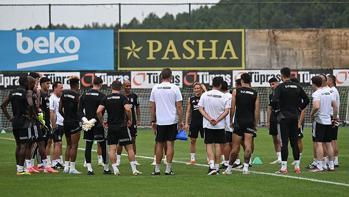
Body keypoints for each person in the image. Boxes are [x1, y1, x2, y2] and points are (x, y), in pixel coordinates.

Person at [96, 80, 141, 176]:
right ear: (120, 88)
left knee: (112, 149)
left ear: (111, 87)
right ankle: (134, 170)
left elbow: (98, 111)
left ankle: (115, 168)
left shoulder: (106, 98)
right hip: (122, 126)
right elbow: (128, 109)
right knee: (129, 148)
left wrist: (102, 121)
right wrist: (130, 119)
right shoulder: (122, 97)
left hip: (111, 127)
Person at [272, 67, 309, 174]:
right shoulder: (297, 86)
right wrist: (299, 108)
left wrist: (277, 110)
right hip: (294, 117)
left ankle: (284, 168)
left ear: (282, 75)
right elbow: (307, 99)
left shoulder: (280, 86)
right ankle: (297, 167)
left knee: (284, 143)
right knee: (294, 142)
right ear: (290, 74)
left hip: (283, 118)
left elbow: (274, 100)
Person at [223, 73, 259, 175]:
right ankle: (246, 168)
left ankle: (229, 169)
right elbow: (256, 110)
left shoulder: (236, 91)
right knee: (248, 146)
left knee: (235, 147)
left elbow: (233, 107)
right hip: (249, 122)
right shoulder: (255, 93)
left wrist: (231, 121)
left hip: (239, 121)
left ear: (242, 80)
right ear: (250, 81)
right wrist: (255, 124)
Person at [149, 68, 183, 175]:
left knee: (159, 144)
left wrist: (153, 120)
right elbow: (179, 106)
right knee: (170, 145)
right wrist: (180, 121)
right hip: (172, 120)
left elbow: (152, 106)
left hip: (160, 121)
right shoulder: (175, 88)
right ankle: (168, 169)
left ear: (161, 76)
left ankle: (157, 169)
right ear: (170, 77)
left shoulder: (155, 88)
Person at [198, 76, 230, 175]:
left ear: (212, 83)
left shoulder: (205, 95)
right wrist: (217, 120)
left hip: (208, 124)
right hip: (219, 125)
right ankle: (216, 167)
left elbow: (200, 108)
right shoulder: (224, 96)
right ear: (220, 85)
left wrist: (209, 119)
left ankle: (211, 166)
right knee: (218, 145)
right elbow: (227, 111)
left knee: (209, 145)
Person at [79, 77, 110, 175]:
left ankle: (89, 169)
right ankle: (106, 169)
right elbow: (100, 112)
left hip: (87, 125)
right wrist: (98, 122)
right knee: (102, 146)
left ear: (92, 83)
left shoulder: (84, 94)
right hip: (98, 125)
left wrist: (85, 121)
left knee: (88, 146)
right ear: (100, 84)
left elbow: (79, 111)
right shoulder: (102, 96)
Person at [1, 76, 31, 175]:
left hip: (15, 122)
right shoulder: (26, 93)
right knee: (23, 145)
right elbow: (30, 105)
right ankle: (20, 170)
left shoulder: (12, 92)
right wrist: (30, 114)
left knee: (18, 145)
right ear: (26, 83)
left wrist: (10, 118)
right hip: (23, 121)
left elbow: (3, 105)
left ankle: (18, 166)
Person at [310, 76, 337, 172]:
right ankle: (332, 165)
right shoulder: (329, 92)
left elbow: (316, 106)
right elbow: (335, 106)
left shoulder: (316, 93)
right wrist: (334, 118)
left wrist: (311, 114)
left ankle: (320, 166)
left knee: (319, 143)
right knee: (329, 143)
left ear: (313, 83)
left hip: (320, 121)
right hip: (328, 120)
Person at [59, 77, 82, 174]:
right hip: (74, 123)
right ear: (77, 84)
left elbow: (60, 109)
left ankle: (66, 167)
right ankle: (72, 168)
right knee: (74, 145)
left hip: (66, 123)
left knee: (68, 145)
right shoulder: (77, 95)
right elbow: (79, 111)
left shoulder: (63, 93)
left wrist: (66, 117)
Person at [116, 80, 141, 167]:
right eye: (127, 86)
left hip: (132, 121)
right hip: (122, 122)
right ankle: (118, 159)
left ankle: (134, 160)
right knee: (120, 141)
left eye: (130, 85)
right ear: (123, 87)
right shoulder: (120, 96)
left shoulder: (134, 96)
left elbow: (137, 108)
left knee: (133, 140)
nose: (129, 87)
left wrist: (138, 119)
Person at [185, 82, 206, 164]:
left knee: (207, 141)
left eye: (198, 88)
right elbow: (188, 111)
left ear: (201, 89)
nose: (197, 90)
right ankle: (192, 159)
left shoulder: (205, 97)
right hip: (194, 122)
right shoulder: (191, 99)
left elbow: (208, 95)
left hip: (204, 122)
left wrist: (205, 89)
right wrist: (186, 123)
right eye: (195, 88)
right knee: (192, 140)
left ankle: (209, 158)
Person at [49, 81, 64, 169]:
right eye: (60, 88)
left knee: (59, 143)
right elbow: (51, 112)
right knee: (57, 143)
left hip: (61, 123)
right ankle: (54, 163)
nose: (62, 89)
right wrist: (53, 125)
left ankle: (58, 161)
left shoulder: (58, 98)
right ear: (55, 88)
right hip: (57, 124)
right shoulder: (52, 98)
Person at [290, 77, 305, 166]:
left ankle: (299, 156)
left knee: (298, 138)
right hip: (292, 118)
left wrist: (300, 122)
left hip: (298, 119)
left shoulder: (300, 94)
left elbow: (303, 110)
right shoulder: (294, 93)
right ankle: (296, 157)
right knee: (292, 139)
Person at [38, 77, 53, 168]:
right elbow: (38, 106)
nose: (49, 85)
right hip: (42, 121)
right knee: (40, 142)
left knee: (48, 140)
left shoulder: (47, 94)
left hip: (47, 120)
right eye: (47, 83)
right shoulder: (39, 93)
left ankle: (44, 162)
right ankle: (40, 163)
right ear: (42, 84)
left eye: (49, 83)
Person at [267, 77, 281, 164]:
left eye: (273, 84)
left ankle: (283, 157)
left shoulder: (283, 92)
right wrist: (268, 121)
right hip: (273, 116)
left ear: (277, 83)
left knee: (281, 138)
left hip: (281, 116)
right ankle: (278, 157)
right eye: (270, 84)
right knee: (274, 137)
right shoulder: (271, 95)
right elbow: (269, 108)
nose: (272, 86)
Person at [327, 74, 340, 167]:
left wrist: (334, 119)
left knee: (332, 140)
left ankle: (334, 160)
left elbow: (333, 106)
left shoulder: (332, 91)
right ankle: (335, 159)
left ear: (330, 80)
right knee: (333, 139)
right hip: (334, 116)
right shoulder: (334, 90)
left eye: (327, 79)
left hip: (332, 117)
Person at [221, 81, 233, 169]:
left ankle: (226, 161)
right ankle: (236, 160)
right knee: (235, 143)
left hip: (226, 123)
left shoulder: (222, 97)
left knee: (226, 143)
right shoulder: (232, 96)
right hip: (233, 122)